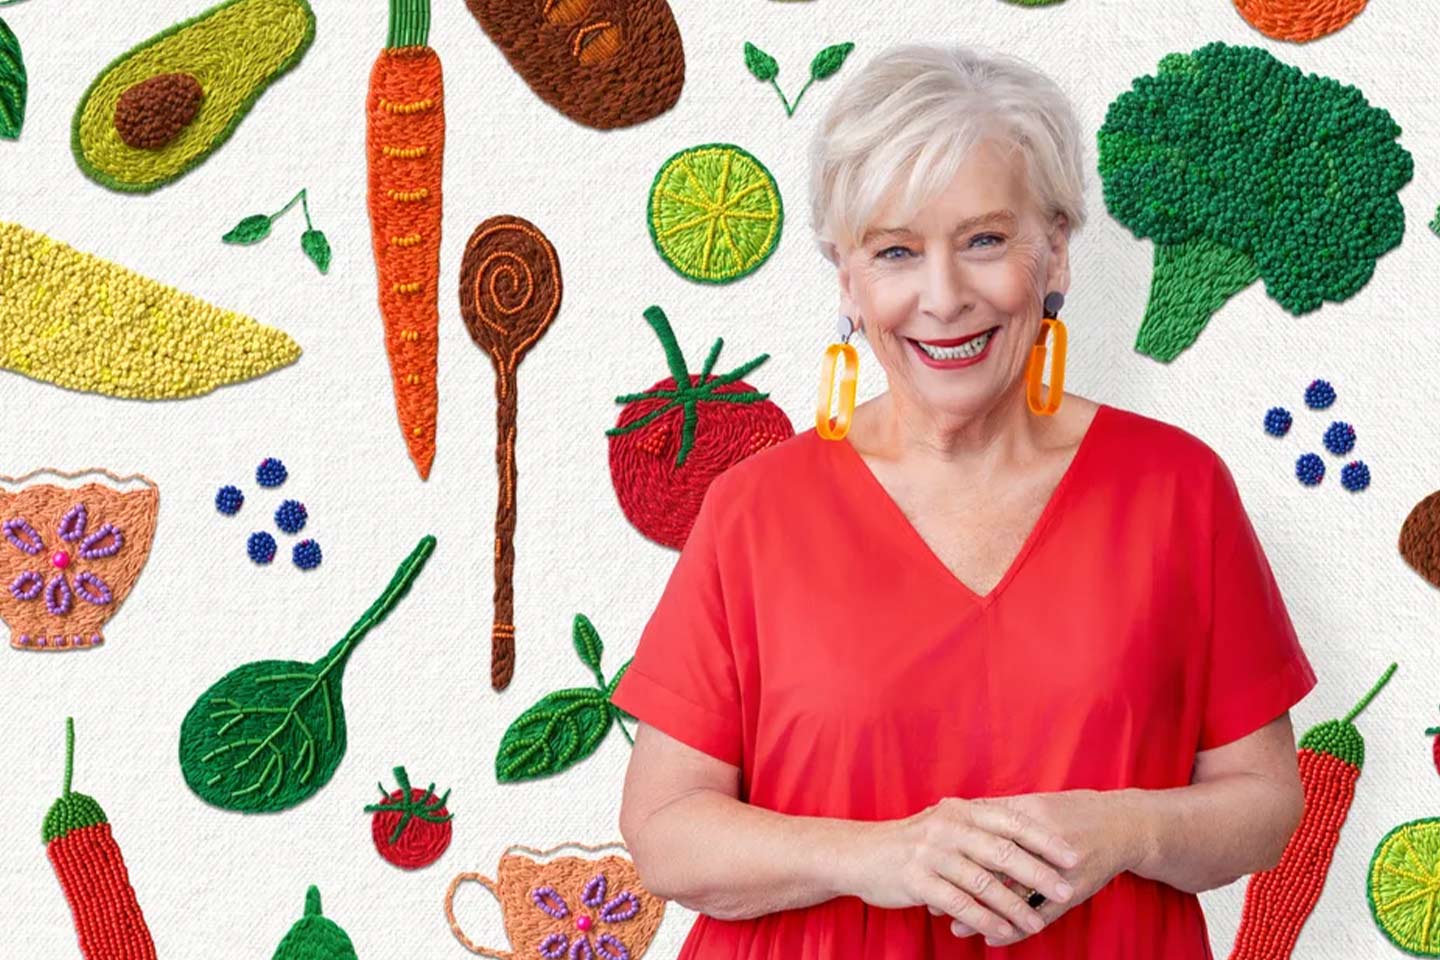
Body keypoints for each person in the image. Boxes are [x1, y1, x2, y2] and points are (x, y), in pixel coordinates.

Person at [609, 42, 1317, 958]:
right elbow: (664, 831)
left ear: (1055, 251)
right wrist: (880, 857)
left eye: (985, 241)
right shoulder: (754, 510)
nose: (943, 298)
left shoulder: (1177, 490)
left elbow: (1263, 804)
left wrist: (1126, 829)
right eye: (896, 251)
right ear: (848, 281)